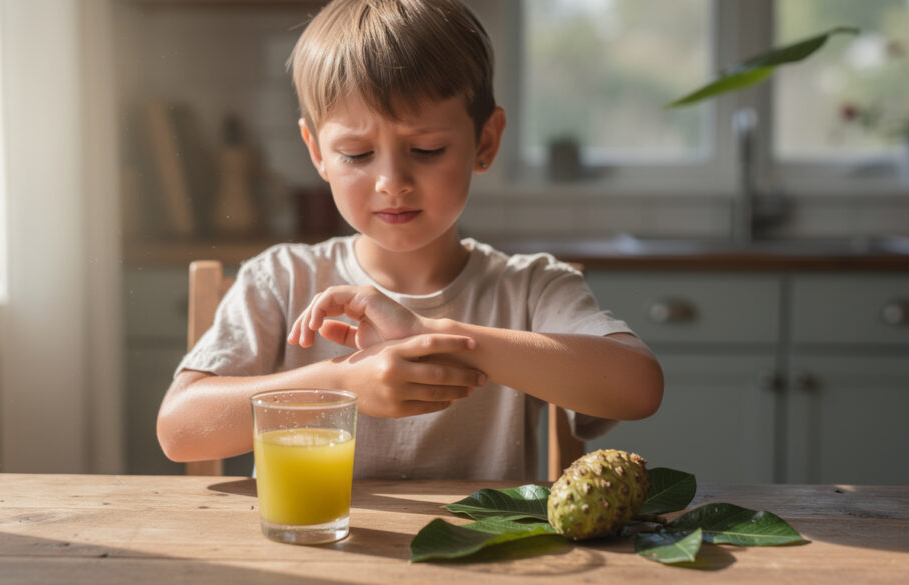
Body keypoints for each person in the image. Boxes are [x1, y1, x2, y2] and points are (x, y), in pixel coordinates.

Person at [157, 0, 663, 481]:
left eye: (427, 149)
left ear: (484, 142)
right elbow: (179, 429)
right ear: (317, 153)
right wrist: (341, 383)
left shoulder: (531, 288)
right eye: (357, 154)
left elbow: (638, 387)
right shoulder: (282, 279)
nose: (391, 182)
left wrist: (434, 333)